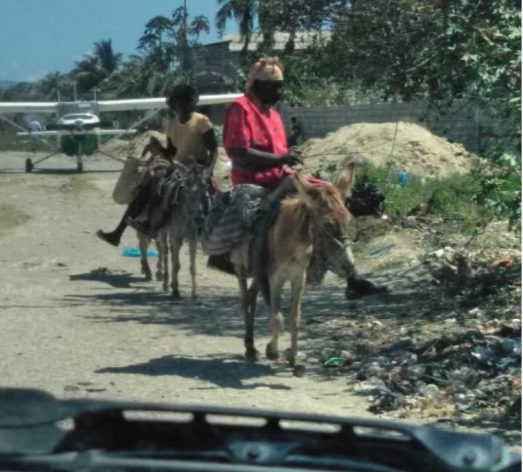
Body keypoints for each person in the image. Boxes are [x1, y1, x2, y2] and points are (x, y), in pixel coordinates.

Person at [219, 56, 386, 300]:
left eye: (280, 84)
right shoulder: (240, 109)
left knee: (329, 197)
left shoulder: (273, 115)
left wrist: (288, 155)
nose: (279, 91)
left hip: (280, 177)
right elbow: (237, 152)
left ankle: (352, 277)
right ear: (258, 86)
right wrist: (280, 159)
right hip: (253, 182)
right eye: (274, 86)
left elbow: (277, 153)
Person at [96, 84, 217, 247]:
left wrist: (207, 172)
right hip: (177, 166)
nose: (183, 105)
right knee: (146, 185)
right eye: (180, 102)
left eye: (186, 101)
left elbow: (214, 149)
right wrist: (157, 148)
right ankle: (120, 232)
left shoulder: (201, 121)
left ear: (192, 102)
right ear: (175, 103)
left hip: (196, 168)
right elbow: (172, 151)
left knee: (163, 188)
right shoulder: (172, 124)